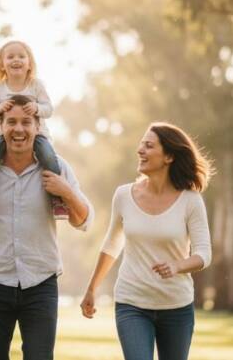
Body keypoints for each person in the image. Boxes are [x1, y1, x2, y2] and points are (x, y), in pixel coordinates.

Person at [0, 94, 94, 360]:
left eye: (26, 122)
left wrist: (67, 193)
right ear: (1, 127)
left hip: (41, 283)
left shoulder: (57, 168)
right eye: (11, 122)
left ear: (38, 128)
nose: (18, 129)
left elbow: (84, 221)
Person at [80, 122, 213, 360]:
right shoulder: (123, 195)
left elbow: (204, 254)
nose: (140, 150)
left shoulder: (190, 201)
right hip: (132, 303)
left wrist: (177, 265)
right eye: (141, 144)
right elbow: (112, 244)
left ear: (169, 156)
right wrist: (91, 289)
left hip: (176, 307)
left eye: (149, 146)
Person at [0, 39, 68, 219]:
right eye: (11, 57)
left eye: (21, 56)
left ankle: (57, 200)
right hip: (5, 135)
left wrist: (37, 108)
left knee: (48, 155)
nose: (16, 60)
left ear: (29, 63)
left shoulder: (36, 85)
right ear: (2, 64)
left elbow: (49, 109)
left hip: (37, 134)